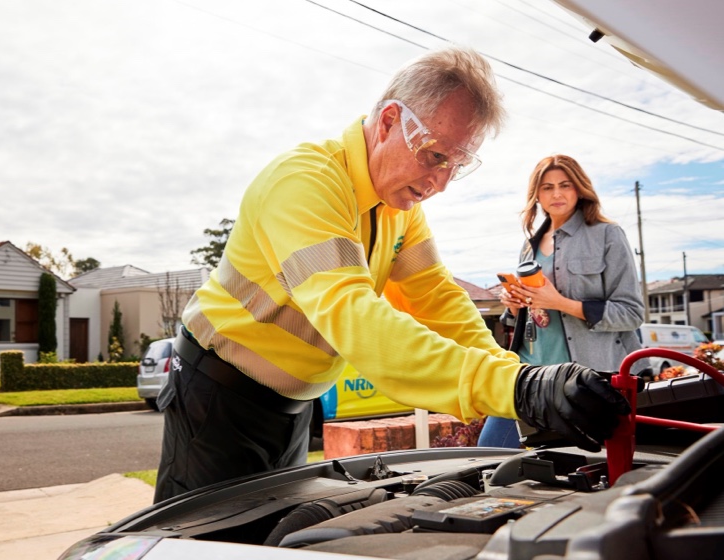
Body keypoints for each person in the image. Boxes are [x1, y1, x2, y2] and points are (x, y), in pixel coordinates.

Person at [153, 47, 631, 503]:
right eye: (435, 156)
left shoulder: (397, 206)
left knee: (269, 541)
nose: (440, 183)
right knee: (203, 546)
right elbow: (356, 319)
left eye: (457, 165)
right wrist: (513, 388)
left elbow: (436, 298)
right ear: (389, 121)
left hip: (293, 406)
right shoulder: (305, 183)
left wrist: (522, 378)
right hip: (216, 398)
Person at [478, 154, 646, 448]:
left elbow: (631, 313)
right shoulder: (528, 248)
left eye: (565, 185)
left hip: (580, 384)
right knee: (490, 452)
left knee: (570, 473)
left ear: (579, 189)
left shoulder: (607, 235)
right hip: (529, 376)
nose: (556, 194)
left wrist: (560, 302)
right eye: (547, 187)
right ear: (537, 196)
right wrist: (515, 305)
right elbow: (532, 314)